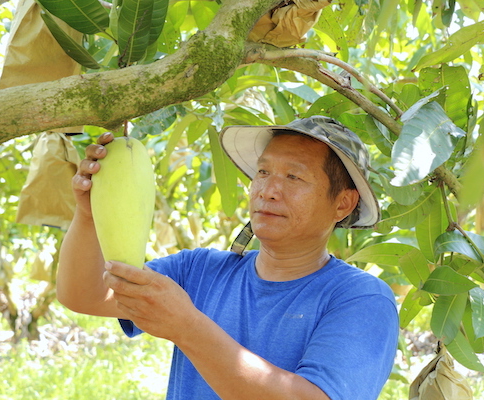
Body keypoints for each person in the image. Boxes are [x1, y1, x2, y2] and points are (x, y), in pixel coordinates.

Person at [57, 115, 399, 400]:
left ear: (343, 203)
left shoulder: (361, 298)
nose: (267, 190)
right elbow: (86, 295)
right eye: (263, 173)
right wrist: (89, 215)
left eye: (293, 177)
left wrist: (187, 327)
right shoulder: (200, 270)